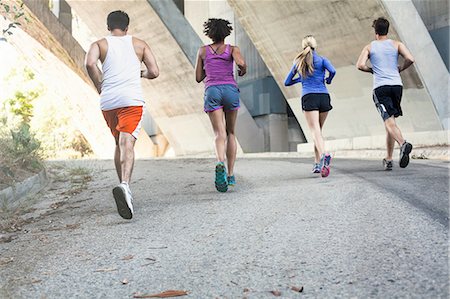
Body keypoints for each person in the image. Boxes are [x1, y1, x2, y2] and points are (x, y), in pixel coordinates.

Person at [85, 10, 159, 219]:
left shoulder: (99, 44)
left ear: (109, 27)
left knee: (119, 142)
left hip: (108, 101)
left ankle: (123, 187)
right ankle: (125, 185)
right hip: (131, 100)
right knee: (127, 144)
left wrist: (100, 84)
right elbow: (154, 71)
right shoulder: (139, 44)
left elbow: (90, 63)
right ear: (127, 27)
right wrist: (140, 72)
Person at [195, 18, 247, 192]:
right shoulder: (232, 49)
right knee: (231, 132)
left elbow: (198, 77)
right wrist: (242, 68)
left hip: (212, 91)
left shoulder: (203, 51)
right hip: (230, 90)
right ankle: (231, 175)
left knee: (219, 133)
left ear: (209, 33)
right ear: (226, 33)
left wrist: (209, 68)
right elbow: (241, 63)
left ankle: (220, 163)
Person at [357, 17, 414, 170]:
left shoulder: (369, 47)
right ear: (387, 30)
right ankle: (388, 159)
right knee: (390, 122)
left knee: (389, 121)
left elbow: (360, 65)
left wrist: (371, 70)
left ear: (375, 31)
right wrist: (400, 69)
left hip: (381, 87)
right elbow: (410, 58)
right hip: (396, 86)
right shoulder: (397, 44)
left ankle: (403, 144)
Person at [284, 35, 336, 177]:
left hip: (309, 97)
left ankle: (324, 155)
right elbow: (333, 71)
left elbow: (287, 82)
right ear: (315, 45)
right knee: (318, 131)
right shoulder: (323, 60)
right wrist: (328, 80)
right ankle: (317, 163)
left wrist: (300, 79)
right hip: (324, 97)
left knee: (315, 132)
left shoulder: (299, 61)